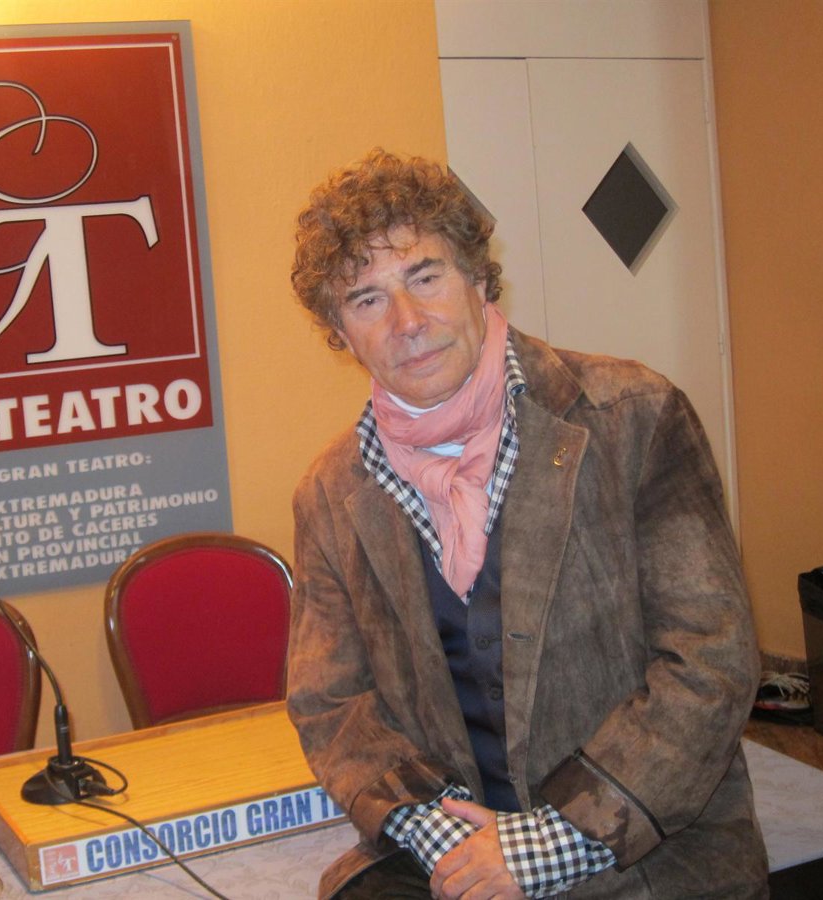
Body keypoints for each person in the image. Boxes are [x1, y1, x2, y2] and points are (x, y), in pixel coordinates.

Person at [285, 149, 768, 899]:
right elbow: (331, 703)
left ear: (478, 281)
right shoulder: (329, 492)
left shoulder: (632, 417)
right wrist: (443, 836)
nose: (408, 322)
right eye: (367, 299)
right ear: (341, 333)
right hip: (448, 853)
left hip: (641, 856)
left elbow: (710, 659)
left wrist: (548, 844)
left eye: (425, 277)